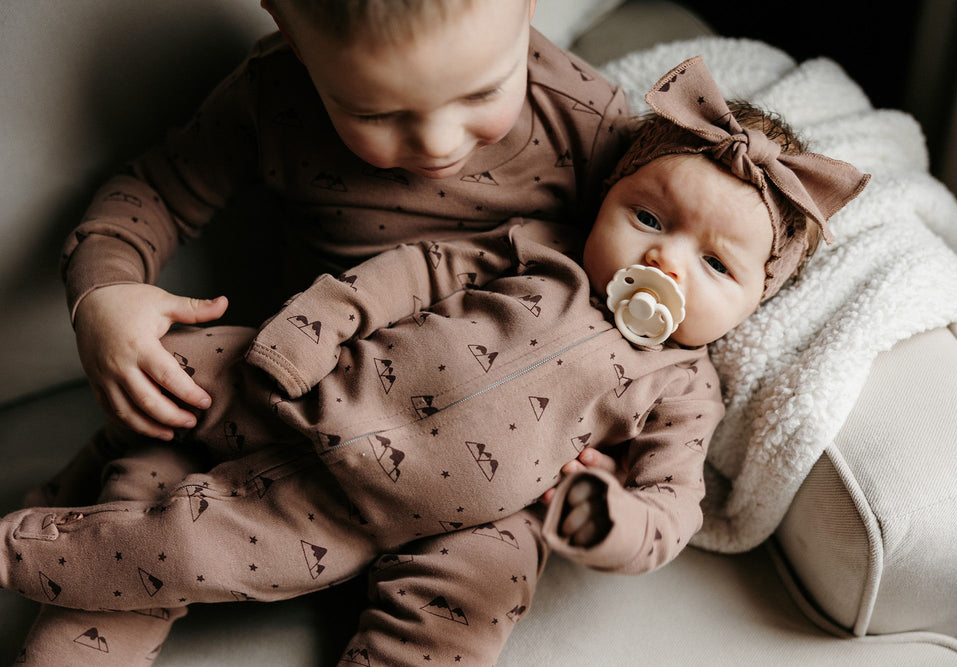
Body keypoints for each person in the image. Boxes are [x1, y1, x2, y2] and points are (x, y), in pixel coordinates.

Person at [3, 55, 869, 665]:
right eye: (647, 218)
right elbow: (415, 270)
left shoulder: (682, 384)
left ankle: (35, 547)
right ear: (609, 196)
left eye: (715, 264)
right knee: (171, 381)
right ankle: (70, 500)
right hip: (329, 378)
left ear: (756, 300)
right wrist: (303, 330)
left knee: (443, 599)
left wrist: (611, 521)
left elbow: (672, 502)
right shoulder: (541, 247)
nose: (665, 261)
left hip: (465, 507)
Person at [14, 0, 629, 663]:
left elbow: (666, 273)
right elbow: (155, 191)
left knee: (473, 593)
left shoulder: (587, 118)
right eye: (378, 113)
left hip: (487, 452)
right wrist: (104, 296)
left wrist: (614, 449)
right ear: (291, 31)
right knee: (141, 505)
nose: (438, 141)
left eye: (482, 93)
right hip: (283, 395)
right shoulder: (271, 95)